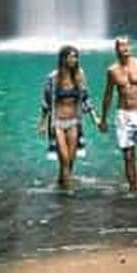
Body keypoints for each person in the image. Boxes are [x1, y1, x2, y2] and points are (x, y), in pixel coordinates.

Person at [98, 35, 137, 192]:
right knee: (128, 156)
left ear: (131, 47)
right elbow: (108, 95)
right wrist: (103, 119)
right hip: (123, 114)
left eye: (126, 45)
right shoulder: (112, 70)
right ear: (116, 49)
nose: (124, 48)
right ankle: (133, 188)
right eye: (121, 46)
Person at [37, 45, 99, 190]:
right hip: (57, 122)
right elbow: (46, 101)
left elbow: (85, 98)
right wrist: (42, 123)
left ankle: (61, 182)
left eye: (76, 57)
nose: (74, 60)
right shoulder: (53, 77)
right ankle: (68, 192)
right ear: (63, 59)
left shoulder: (79, 75)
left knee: (70, 160)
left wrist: (95, 118)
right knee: (64, 159)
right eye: (71, 57)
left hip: (74, 122)